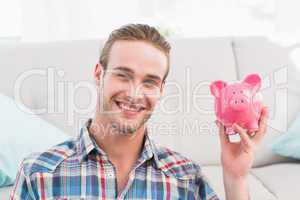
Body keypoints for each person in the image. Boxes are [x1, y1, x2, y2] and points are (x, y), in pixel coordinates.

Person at [10, 24, 268, 200]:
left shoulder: (186, 177)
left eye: (149, 82)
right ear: (99, 75)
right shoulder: (39, 174)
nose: (134, 94)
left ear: (161, 89)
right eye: (123, 76)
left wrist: (236, 178)